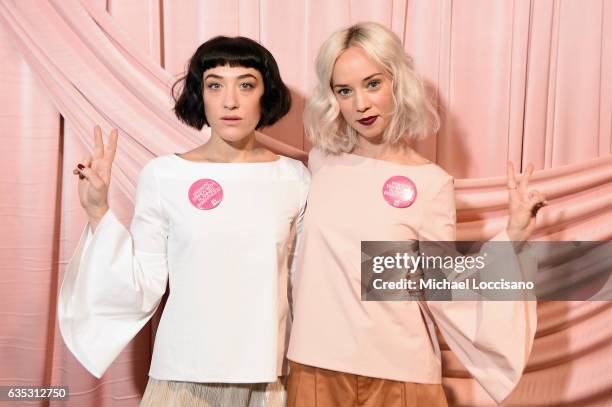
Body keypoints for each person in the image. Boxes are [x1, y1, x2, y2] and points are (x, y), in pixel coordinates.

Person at [287, 22, 546, 406]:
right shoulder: (321, 164)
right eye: (345, 91)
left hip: (399, 374)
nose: (360, 104)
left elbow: (445, 286)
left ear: (398, 82)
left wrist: (513, 236)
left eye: (373, 84)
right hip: (314, 368)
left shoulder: (431, 183)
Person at [58, 36, 309, 407]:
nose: (230, 101)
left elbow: (304, 285)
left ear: (265, 94)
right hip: (183, 375)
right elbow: (143, 282)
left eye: (245, 84)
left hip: (269, 377)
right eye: (214, 85)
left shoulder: (294, 178)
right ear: (199, 95)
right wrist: (97, 210)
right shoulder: (164, 175)